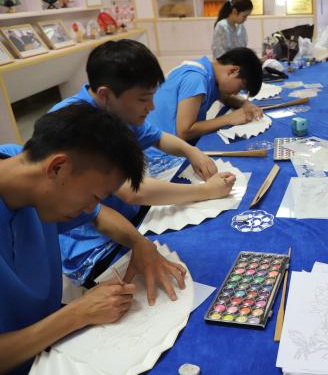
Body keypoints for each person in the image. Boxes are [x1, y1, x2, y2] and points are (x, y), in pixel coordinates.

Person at [0, 104, 187, 374]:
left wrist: (139, 243)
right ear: (58, 168)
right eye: (94, 196)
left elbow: (98, 215)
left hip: (50, 344)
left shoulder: (23, 163)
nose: (90, 207)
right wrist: (77, 314)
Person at [49, 39, 236, 288]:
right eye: (143, 99)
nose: (151, 107)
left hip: (130, 219)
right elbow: (131, 191)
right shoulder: (75, 124)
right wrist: (206, 191)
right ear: (105, 95)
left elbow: (156, 136)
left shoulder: (115, 110)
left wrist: (191, 151)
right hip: (96, 244)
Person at [146, 47, 263, 142]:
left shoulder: (209, 72)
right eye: (240, 87)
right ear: (233, 71)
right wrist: (230, 118)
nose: (237, 93)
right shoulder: (196, 78)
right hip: (161, 154)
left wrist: (245, 103)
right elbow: (184, 131)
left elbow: (225, 98)